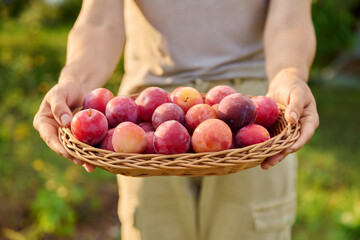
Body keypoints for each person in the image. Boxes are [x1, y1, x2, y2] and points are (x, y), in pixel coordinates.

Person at [33, 0, 319, 239]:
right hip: (146, 121)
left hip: (249, 117)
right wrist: (76, 81)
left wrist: (288, 77)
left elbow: (290, 21)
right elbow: (99, 22)